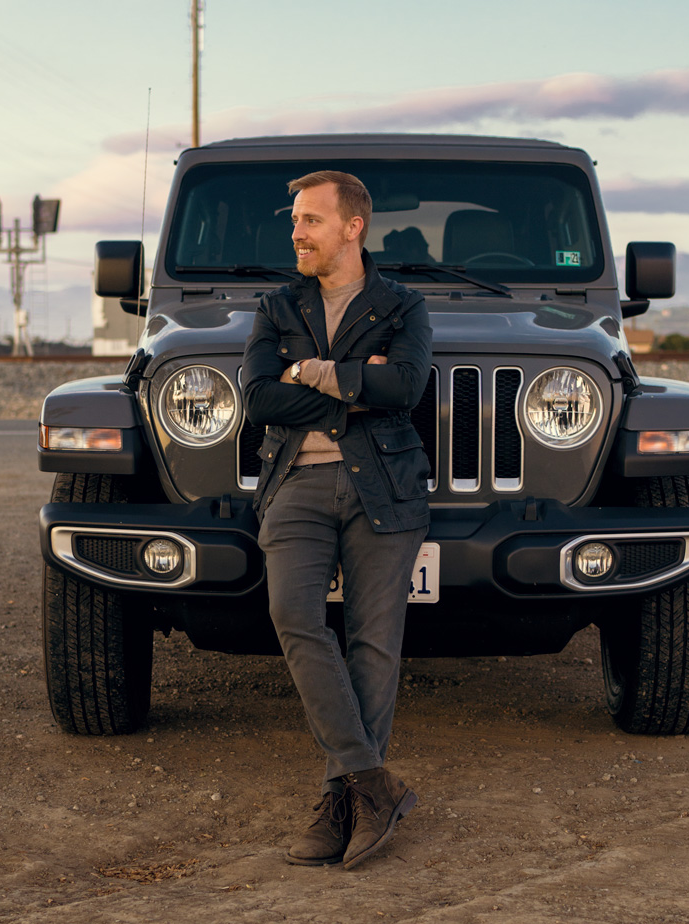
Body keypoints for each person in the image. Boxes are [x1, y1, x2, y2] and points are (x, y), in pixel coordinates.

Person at [242, 170, 433, 869]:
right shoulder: (276, 305)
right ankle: (374, 783)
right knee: (294, 618)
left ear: (353, 227)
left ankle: (341, 802)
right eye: (295, 220)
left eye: (311, 220)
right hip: (296, 484)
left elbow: (406, 386)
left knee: (373, 647)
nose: (297, 232)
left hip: (385, 484)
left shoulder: (403, 306)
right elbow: (259, 398)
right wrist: (352, 386)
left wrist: (312, 372)